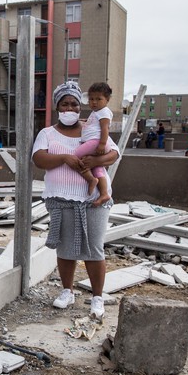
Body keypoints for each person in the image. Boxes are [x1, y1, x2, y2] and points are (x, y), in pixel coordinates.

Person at [32, 81, 120, 320]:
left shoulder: (91, 127)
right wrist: (64, 158)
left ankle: (97, 297)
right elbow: (39, 159)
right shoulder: (47, 133)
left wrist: (96, 162)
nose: (70, 108)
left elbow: (113, 153)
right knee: (66, 248)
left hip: (93, 200)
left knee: (93, 248)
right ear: (57, 107)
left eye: (74, 104)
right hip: (61, 200)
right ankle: (67, 291)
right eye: (65, 104)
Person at [74, 82, 113, 206]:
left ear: (107, 100)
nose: (94, 102)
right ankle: (104, 194)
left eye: (98, 99)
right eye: (91, 99)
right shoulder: (97, 113)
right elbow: (94, 125)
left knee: (75, 156)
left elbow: (105, 128)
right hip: (95, 143)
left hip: (96, 142)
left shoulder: (104, 112)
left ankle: (91, 180)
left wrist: (101, 144)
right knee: (97, 168)